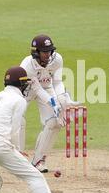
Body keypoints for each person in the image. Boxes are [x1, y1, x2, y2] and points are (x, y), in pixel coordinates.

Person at [20, 34, 79, 173]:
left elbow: (57, 82)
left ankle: (38, 160)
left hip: (46, 88)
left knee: (56, 122)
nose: (48, 54)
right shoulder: (28, 66)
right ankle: (18, 156)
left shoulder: (57, 59)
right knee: (18, 119)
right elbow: (37, 90)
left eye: (50, 51)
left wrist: (63, 98)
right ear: (36, 52)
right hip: (26, 91)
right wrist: (54, 102)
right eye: (44, 52)